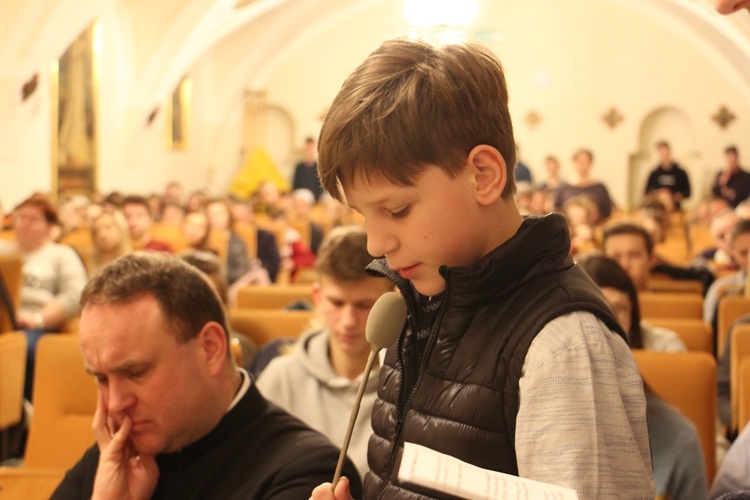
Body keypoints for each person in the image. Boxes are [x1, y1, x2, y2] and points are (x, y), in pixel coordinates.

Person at [311, 36, 653, 499]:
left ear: (484, 176)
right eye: (362, 215)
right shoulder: (418, 306)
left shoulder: (564, 347)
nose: (376, 242)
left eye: (396, 210)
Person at [51, 252, 362, 499]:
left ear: (210, 348)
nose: (116, 404)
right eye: (102, 379)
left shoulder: (309, 473)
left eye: (135, 372)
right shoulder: (118, 455)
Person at [257, 226, 394, 481]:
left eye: (365, 305)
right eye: (336, 303)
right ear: (317, 298)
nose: (348, 321)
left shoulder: (409, 385)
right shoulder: (280, 378)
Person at [578, 255, 709, 500]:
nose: (604, 325)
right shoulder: (528, 415)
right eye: (588, 310)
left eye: (618, 310)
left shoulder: (677, 437)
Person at [0, 194, 88, 400]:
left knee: (25, 349)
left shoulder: (62, 255)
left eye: (34, 219)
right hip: (3, 320)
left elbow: (74, 295)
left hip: (34, 325)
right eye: (21, 217)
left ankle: (23, 412)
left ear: (50, 227)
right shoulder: (2, 250)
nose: (25, 223)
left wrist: (38, 318)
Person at [602, 222, 714, 298]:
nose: (625, 265)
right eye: (615, 257)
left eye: (634, 256)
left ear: (651, 260)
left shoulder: (675, 308)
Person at [553, 148, 615, 223]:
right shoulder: (563, 186)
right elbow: (556, 210)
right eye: (579, 162)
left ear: (590, 163)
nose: (582, 165)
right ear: (574, 163)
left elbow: (607, 212)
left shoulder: (600, 187)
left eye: (585, 162)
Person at [644, 141, 691, 211]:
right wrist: (659, 194)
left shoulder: (681, 173)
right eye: (662, 153)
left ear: (669, 152)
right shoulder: (654, 173)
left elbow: (687, 193)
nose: (664, 155)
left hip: (676, 209)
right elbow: (646, 193)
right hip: (658, 210)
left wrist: (673, 196)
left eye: (665, 152)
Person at [88, 210, 132, 276]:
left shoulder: (133, 265)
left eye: (108, 227)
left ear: (121, 230)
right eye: (97, 231)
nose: (102, 235)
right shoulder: (94, 269)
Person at [292, 136, 325, 201]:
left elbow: (322, 186)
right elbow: (295, 185)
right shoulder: (299, 167)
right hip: (302, 197)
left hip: (317, 197)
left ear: (314, 148)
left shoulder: (319, 167)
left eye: (311, 147)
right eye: (307, 147)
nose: (309, 149)